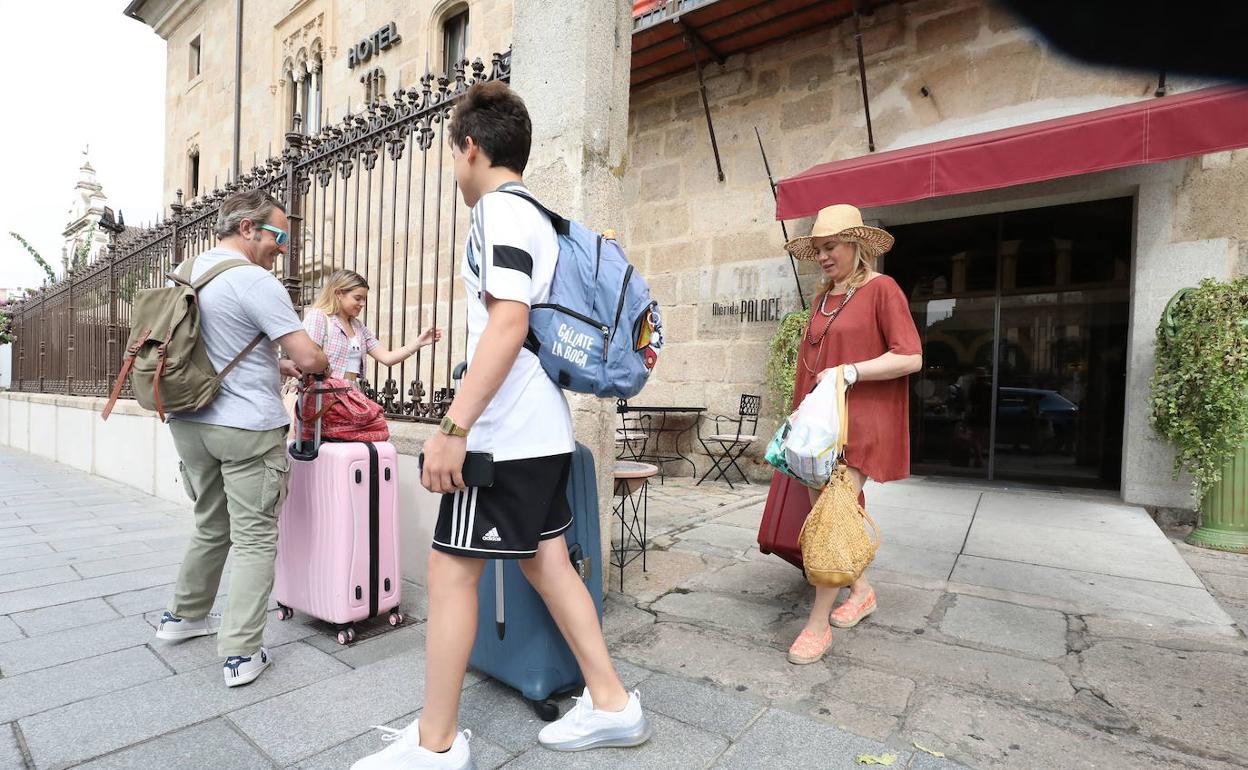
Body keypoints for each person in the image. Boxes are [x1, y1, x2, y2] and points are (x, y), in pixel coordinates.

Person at [351, 81, 650, 770]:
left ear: (471, 147)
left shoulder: (500, 214)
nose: (454, 170)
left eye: (453, 156)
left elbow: (509, 323)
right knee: (547, 561)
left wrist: (453, 428)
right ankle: (611, 703)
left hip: (503, 439)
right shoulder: (538, 219)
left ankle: (435, 744)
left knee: (451, 570)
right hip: (541, 433)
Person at [153, 188, 329, 686]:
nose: (283, 249)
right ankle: (241, 654)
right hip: (246, 428)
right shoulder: (253, 281)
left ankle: (181, 618)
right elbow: (313, 357)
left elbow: (208, 346)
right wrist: (311, 360)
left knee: (211, 523)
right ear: (248, 228)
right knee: (255, 538)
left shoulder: (188, 271)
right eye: (278, 236)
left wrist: (274, 365)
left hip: (189, 422)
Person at [781, 204, 922, 665]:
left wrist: (851, 371)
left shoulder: (882, 289)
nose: (822, 256)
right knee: (831, 518)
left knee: (832, 519)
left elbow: (910, 357)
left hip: (860, 422)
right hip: (819, 428)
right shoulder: (825, 297)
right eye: (817, 249)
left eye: (831, 246)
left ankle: (817, 626)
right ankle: (860, 591)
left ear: (857, 245)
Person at [302, 269, 442, 385]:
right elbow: (307, 360)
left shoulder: (358, 327)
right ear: (338, 293)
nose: (362, 304)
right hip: (324, 395)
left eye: (364, 299)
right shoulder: (319, 317)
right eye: (357, 298)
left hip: (352, 393)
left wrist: (419, 342)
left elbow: (387, 358)